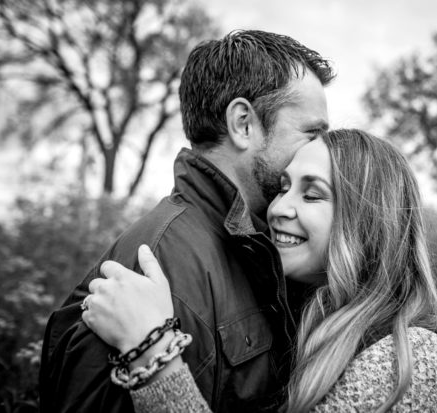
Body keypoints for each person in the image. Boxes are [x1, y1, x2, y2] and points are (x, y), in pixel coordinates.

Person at [39, 29, 334, 413]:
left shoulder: (263, 248)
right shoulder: (157, 265)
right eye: (311, 133)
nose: (320, 150)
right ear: (244, 123)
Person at [83, 130, 437, 412]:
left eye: (312, 194)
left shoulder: (413, 363)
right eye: (281, 188)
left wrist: (152, 352)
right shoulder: (312, 328)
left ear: (369, 222)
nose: (277, 209)